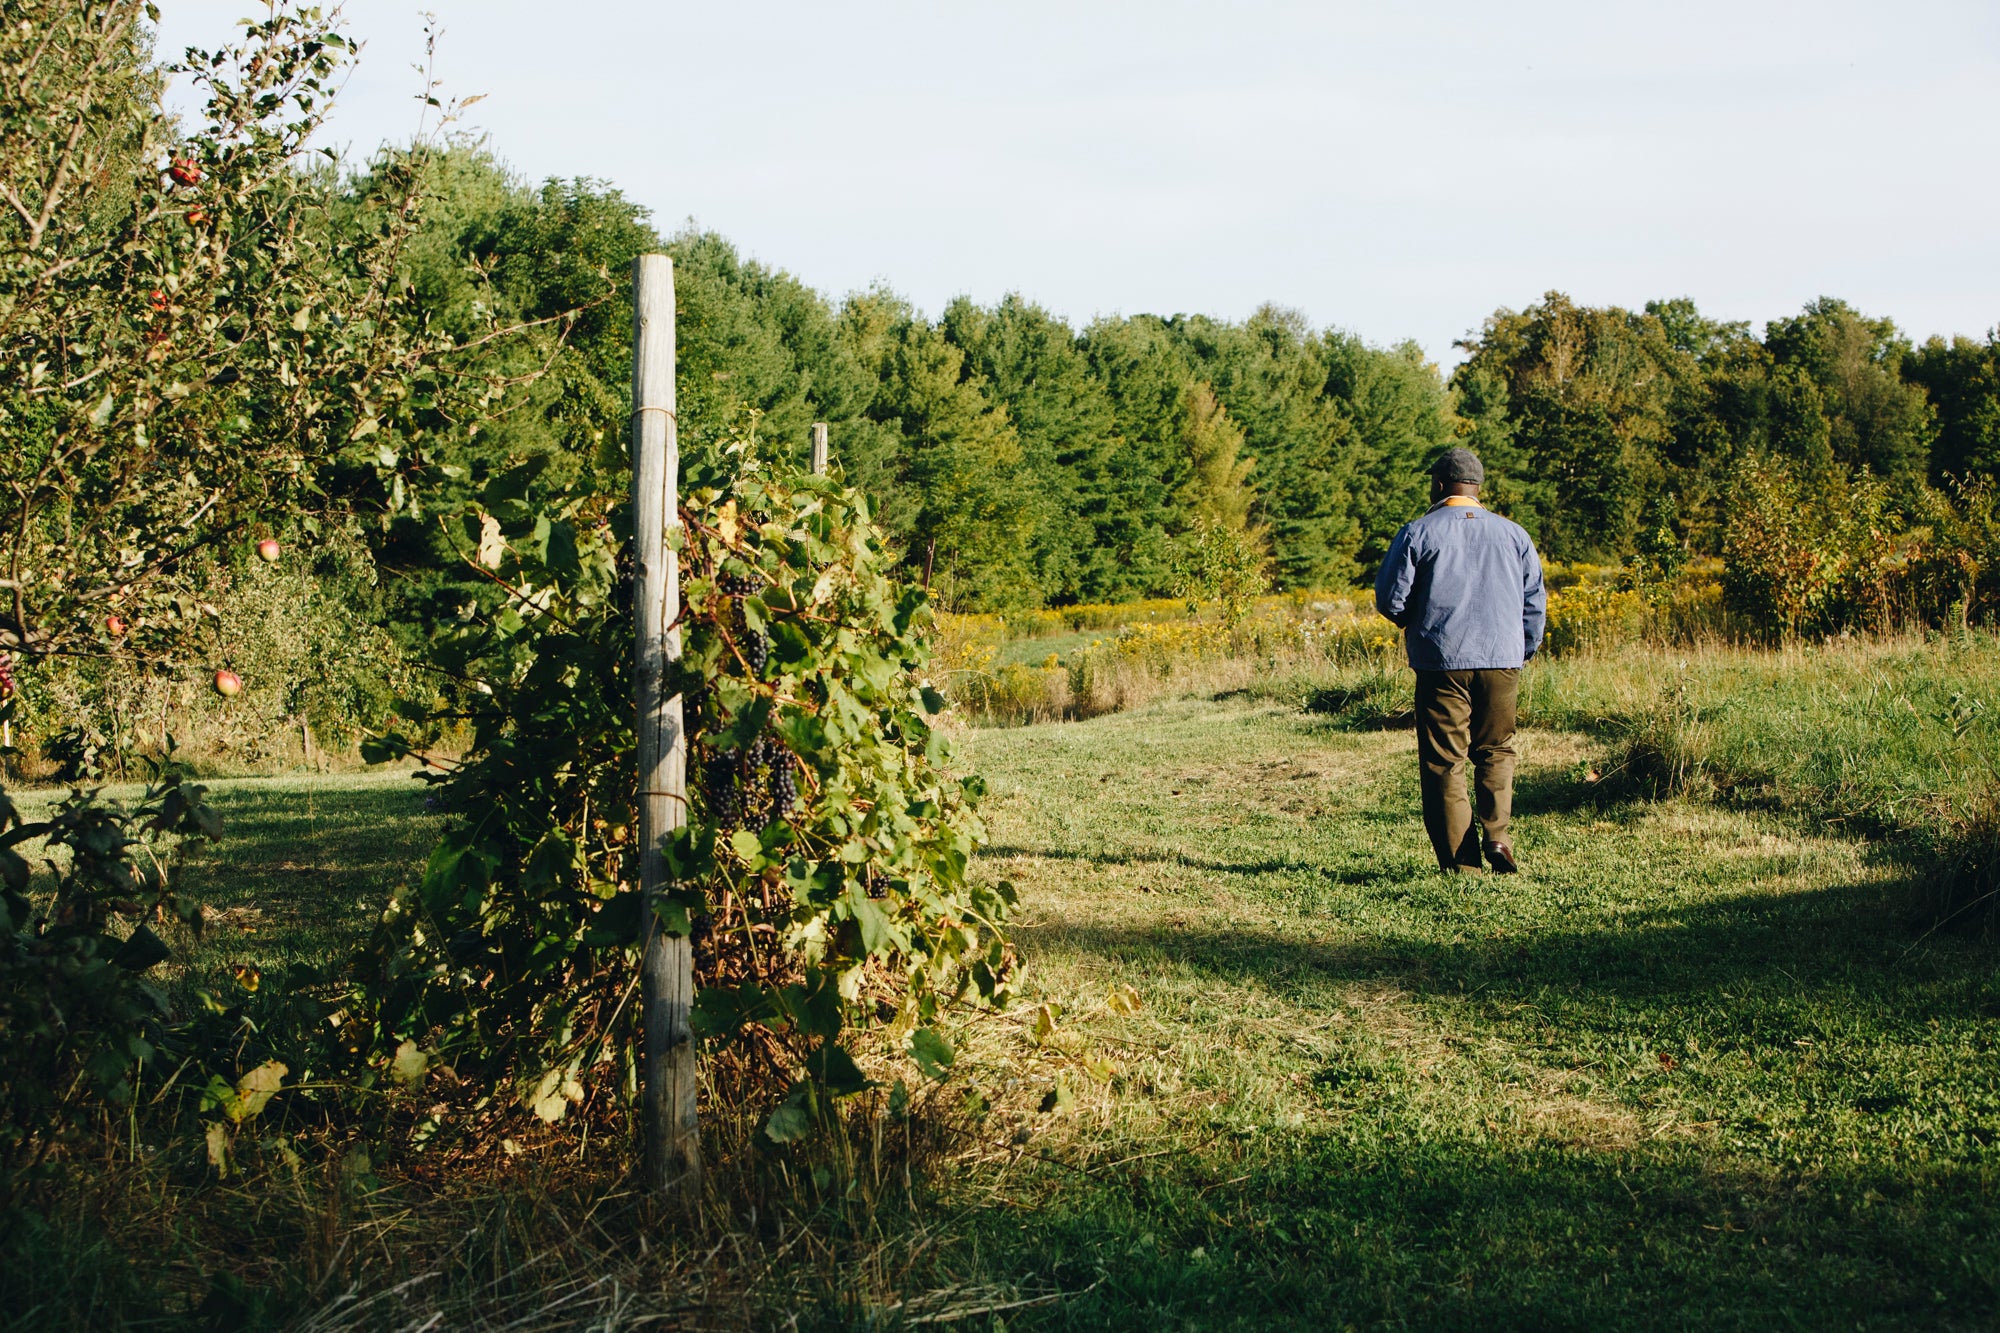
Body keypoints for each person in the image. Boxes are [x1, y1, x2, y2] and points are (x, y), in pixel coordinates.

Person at [1373, 447, 1546, 874]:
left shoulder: (1418, 532)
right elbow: (1534, 602)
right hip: (1503, 660)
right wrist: (1522, 648)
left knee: (1445, 761)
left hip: (1441, 660)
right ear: (1477, 487)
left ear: (1438, 484)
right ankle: (1497, 836)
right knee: (1496, 750)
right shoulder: (1514, 534)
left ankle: (1462, 865)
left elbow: (1390, 600)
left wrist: (1416, 623)